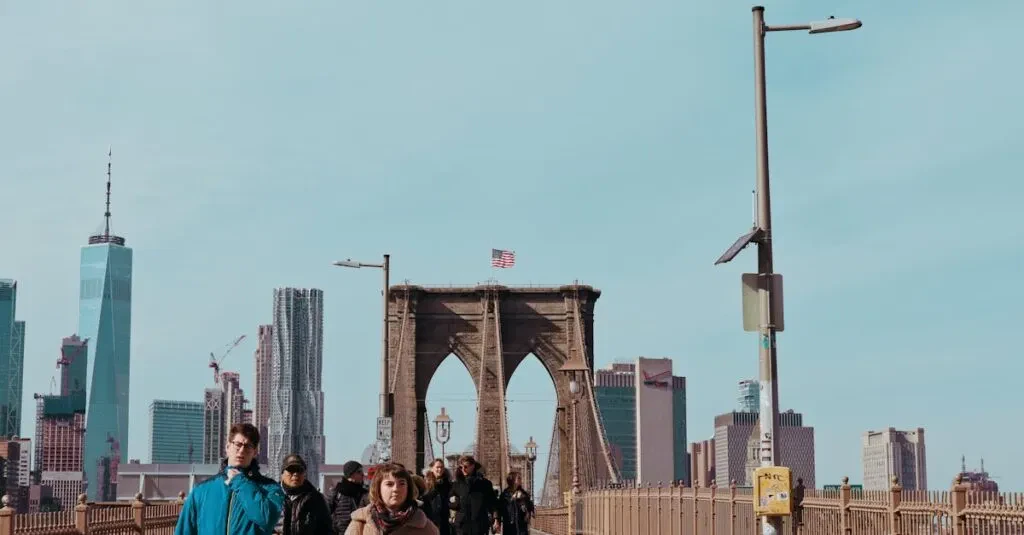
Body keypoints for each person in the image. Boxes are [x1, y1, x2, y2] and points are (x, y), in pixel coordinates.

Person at [174, 423, 285, 535]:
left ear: (255, 452)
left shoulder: (269, 488)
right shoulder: (201, 491)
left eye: (248, 446)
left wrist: (240, 482)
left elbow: (266, 519)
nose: (241, 450)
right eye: (237, 444)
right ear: (227, 447)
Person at [345, 463, 439, 535]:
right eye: (389, 484)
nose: (396, 489)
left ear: (408, 488)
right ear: (378, 488)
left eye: (401, 483)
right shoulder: (361, 523)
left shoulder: (423, 526)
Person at [279, 453, 332, 535]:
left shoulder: (316, 499)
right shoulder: (270, 496)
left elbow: (326, 529)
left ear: (304, 474)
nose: (296, 474)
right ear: (282, 474)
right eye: (291, 469)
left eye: (299, 470)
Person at [449, 456, 497, 535]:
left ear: (473, 466)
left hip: (479, 525)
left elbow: (492, 502)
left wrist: (496, 518)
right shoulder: (456, 484)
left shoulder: (484, 484)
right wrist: (455, 503)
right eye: (461, 467)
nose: (463, 469)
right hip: (462, 526)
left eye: (466, 466)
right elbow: (450, 502)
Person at [329, 460, 370, 533]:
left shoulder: (365, 493)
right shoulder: (337, 492)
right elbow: (325, 514)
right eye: (359, 472)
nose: (363, 474)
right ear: (351, 474)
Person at [420, 459, 452, 534]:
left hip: (444, 520)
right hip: (429, 519)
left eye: (442, 467)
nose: (440, 469)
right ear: (431, 468)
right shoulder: (424, 483)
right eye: (437, 467)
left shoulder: (448, 484)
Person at [497, 471, 534, 535]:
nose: (521, 479)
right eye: (518, 478)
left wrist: (528, 511)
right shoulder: (504, 495)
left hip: (521, 527)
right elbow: (499, 509)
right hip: (509, 527)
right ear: (512, 480)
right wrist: (497, 522)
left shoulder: (524, 494)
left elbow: (530, 506)